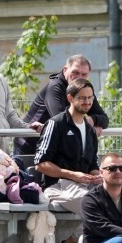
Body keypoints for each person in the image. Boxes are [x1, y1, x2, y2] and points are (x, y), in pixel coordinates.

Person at [17, 54, 109, 157]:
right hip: (29, 145)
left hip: (55, 145)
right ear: (65, 70)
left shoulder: (84, 89)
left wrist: (93, 119)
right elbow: (63, 121)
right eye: (75, 72)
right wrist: (89, 127)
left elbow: (104, 119)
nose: (79, 78)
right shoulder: (55, 87)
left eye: (84, 75)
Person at [33, 78, 101, 214]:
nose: (87, 102)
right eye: (82, 98)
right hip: (58, 185)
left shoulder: (89, 130)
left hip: (84, 185)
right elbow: (40, 164)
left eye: (90, 98)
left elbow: (92, 164)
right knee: (93, 203)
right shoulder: (56, 124)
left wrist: (98, 176)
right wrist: (72, 175)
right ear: (70, 98)